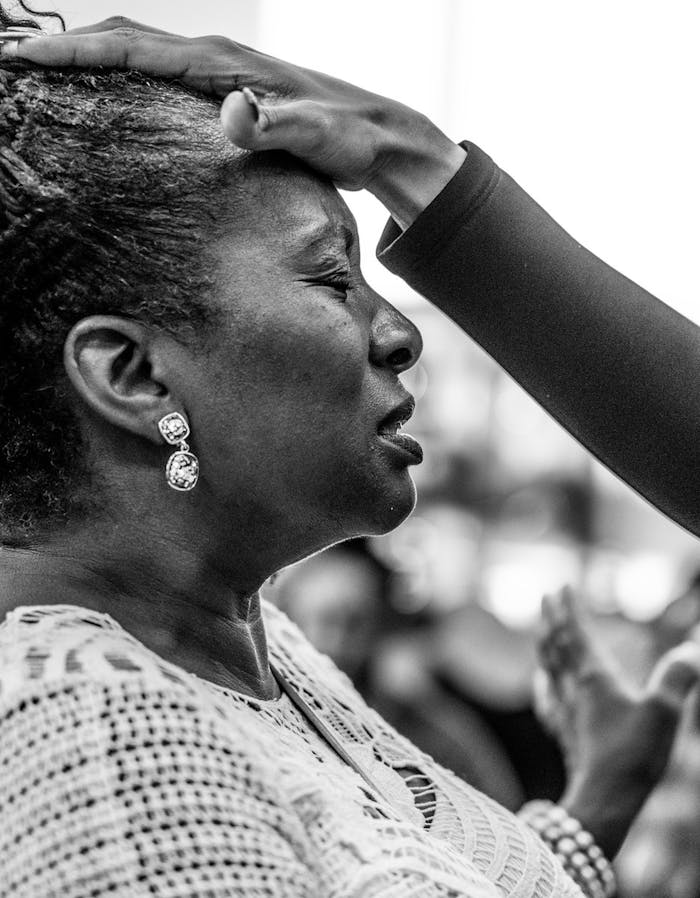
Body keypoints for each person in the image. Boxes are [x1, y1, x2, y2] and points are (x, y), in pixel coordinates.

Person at [1, 10, 700, 898]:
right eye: (333, 279)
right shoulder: (94, 742)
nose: (402, 334)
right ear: (136, 375)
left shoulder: (260, 651)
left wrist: (591, 806)